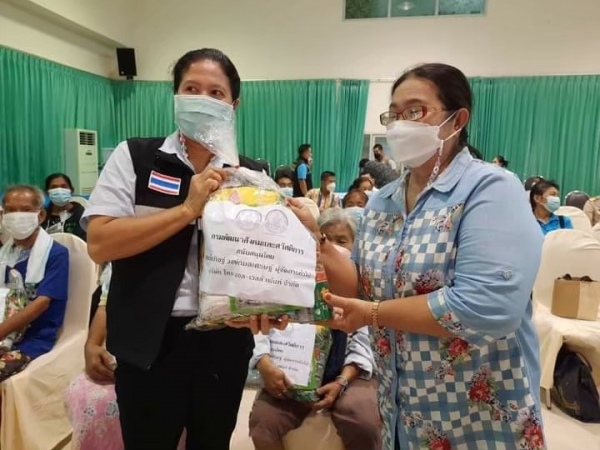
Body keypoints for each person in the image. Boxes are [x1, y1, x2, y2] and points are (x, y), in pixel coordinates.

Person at [288, 63, 546, 449]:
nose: (400, 125)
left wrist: (373, 314)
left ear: (457, 120)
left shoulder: (489, 189)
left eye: (415, 111)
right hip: (402, 408)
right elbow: (359, 285)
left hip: (478, 414)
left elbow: (487, 306)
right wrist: (317, 240)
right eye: (394, 114)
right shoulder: (383, 200)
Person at [82, 48, 288, 450]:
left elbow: (265, 263)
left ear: (234, 105)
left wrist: (271, 305)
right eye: (192, 89)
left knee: (212, 441)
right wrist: (187, 210)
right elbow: (100, 242)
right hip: (147, 339)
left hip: (224, 340)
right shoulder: (136, 157)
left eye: (216, 92)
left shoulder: (251, 174)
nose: (202, 100)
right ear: (176, 96)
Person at [65, 264, 185, 450]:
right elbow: (106, 303)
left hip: (178, 355)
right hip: (129, 356)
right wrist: (92, 344)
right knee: (84, 396)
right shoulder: (124, 260)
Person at [249, 323, 381, 450]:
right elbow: (259, 329)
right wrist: (264, 364)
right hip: (290, 369)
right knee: (263, 424)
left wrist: (342, 380)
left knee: (365, 424)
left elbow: (365, 340)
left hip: (350, 370)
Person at [0, 185, 69, 381]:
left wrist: (2, 331)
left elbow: (41, 304)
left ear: (40, 215)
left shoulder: (56, 254)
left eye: (25, 209)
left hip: (33, 339)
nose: (17, 216)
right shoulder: (5, 255)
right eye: (10, 210)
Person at [42, 173, 87, 240]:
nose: (59, 190)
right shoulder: (42, 216)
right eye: (54, 187)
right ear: (46, 192)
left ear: (71, 190)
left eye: (64, 186)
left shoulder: (81, 215)